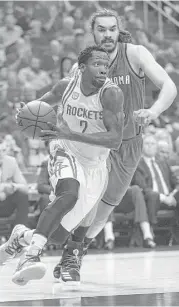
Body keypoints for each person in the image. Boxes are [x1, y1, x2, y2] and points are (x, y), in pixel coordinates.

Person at [51, 9, 177, 282]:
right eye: (101, 29)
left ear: (118, 30)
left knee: (105, 208)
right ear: (93, 33)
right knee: (93, 199)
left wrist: (153, 112)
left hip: (130, 144)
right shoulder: (81, 67)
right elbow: (68, 106)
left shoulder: (135, 54)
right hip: (99, 145)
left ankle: (76, 251)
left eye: (112, 28)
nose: (107, 34)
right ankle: (71, 253)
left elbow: (169, 86)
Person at [0, 45, 124, 285]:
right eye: (97, 64)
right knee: (68, 194)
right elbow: (42, 106)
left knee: (56, 236)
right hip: (64, 149)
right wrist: (26, 112)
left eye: (106, 65)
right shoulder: (66, 86)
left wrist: (71, 133)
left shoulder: (111, 94)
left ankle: (21, 237)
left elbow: (115, 139)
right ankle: (31, 256)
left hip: (95, 164)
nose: (103, 69)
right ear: (82, 67)